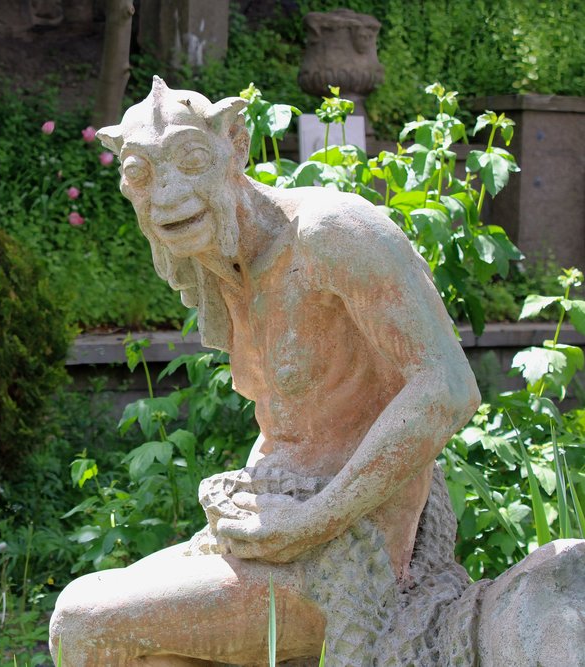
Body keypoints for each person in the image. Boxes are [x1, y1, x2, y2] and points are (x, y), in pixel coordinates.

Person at [48, 77, 481, 666]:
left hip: (351, 552)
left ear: (237, 145)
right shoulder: (224, 265)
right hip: (276, 530)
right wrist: (256, 500)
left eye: (190, 160)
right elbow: (297, 420)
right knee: (133, 646)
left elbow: (448, 388)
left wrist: (311, 520)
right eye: (140, 173)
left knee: (82, 621)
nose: (168, 194)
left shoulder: (330, 233)